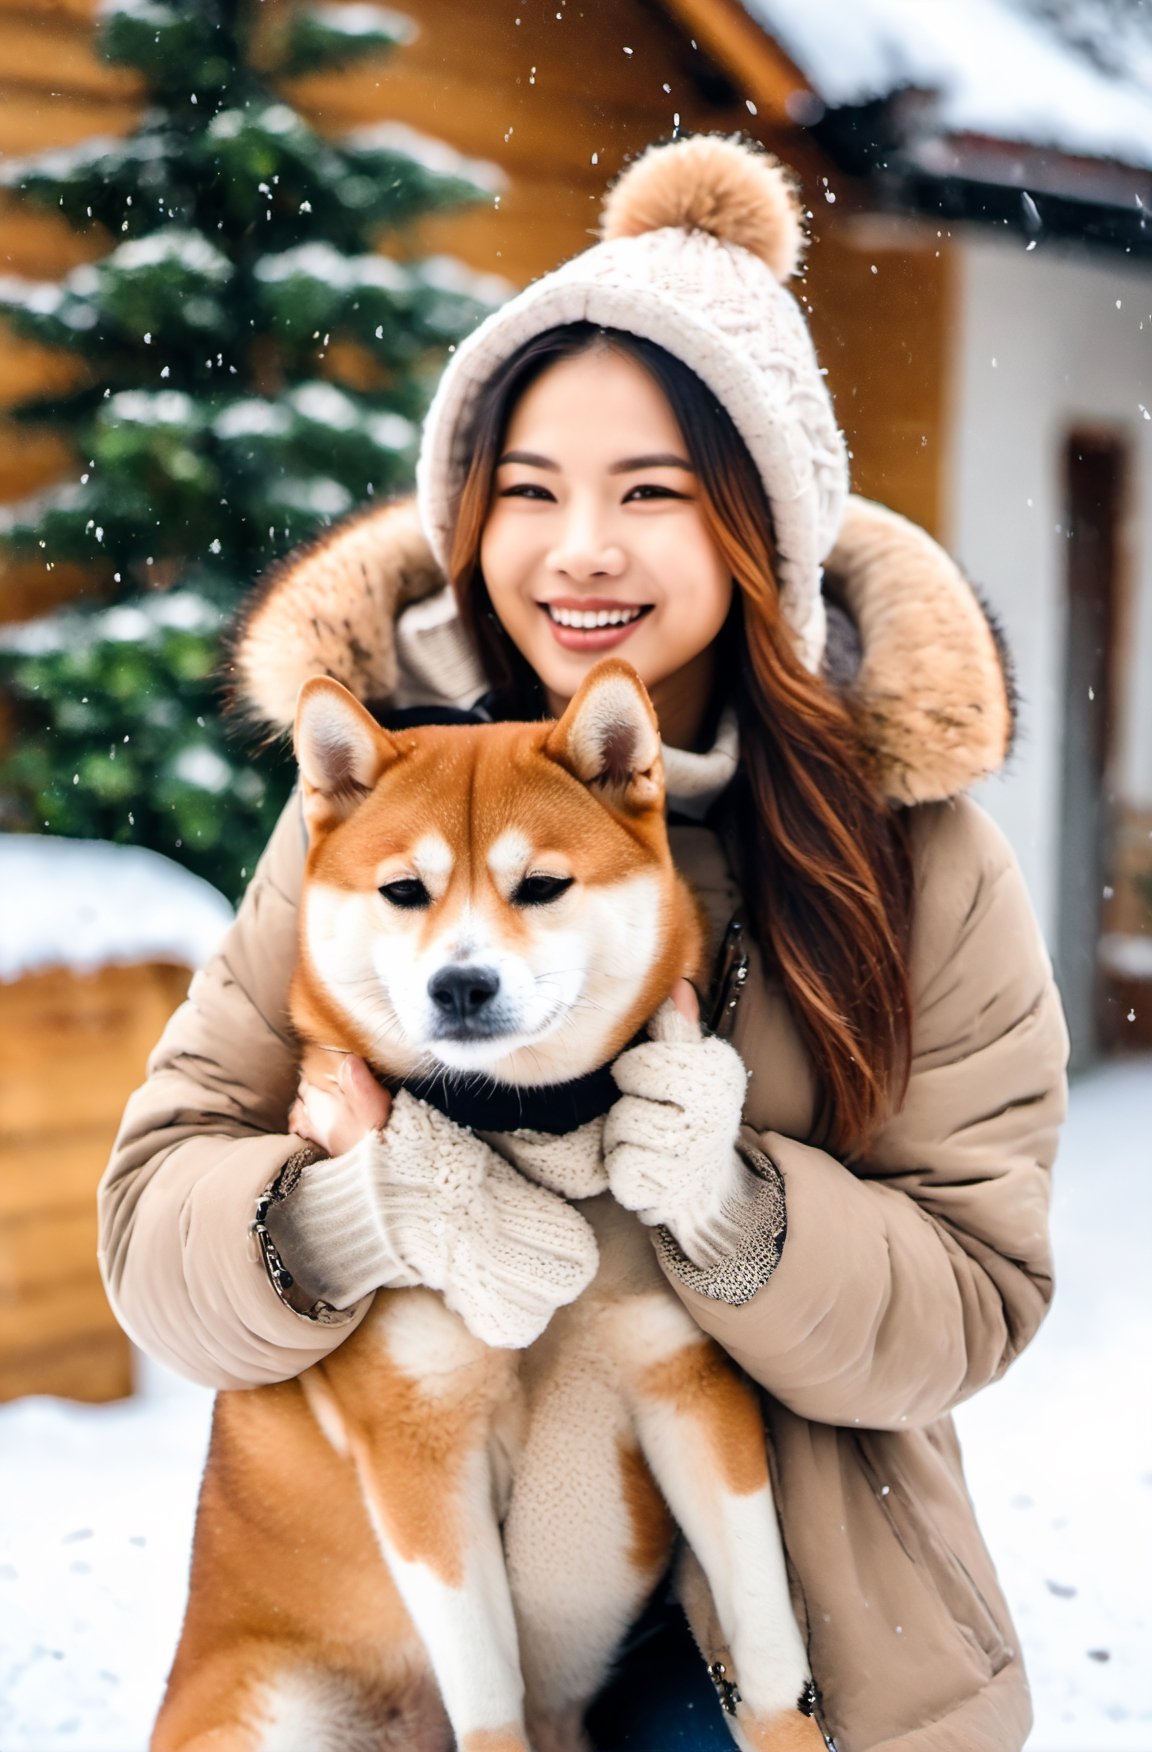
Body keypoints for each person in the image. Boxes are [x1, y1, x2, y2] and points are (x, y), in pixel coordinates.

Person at [99, 134, 1068, 1752]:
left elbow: (975, 1298)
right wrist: (345, 1219)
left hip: (779, 1615)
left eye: (651, 494)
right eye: (528, 492)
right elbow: (151, 1224)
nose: (581, 550)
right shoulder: (376, 805)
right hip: (401, 1608)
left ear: (763, 522)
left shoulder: (918, 859)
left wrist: (737, 1213)